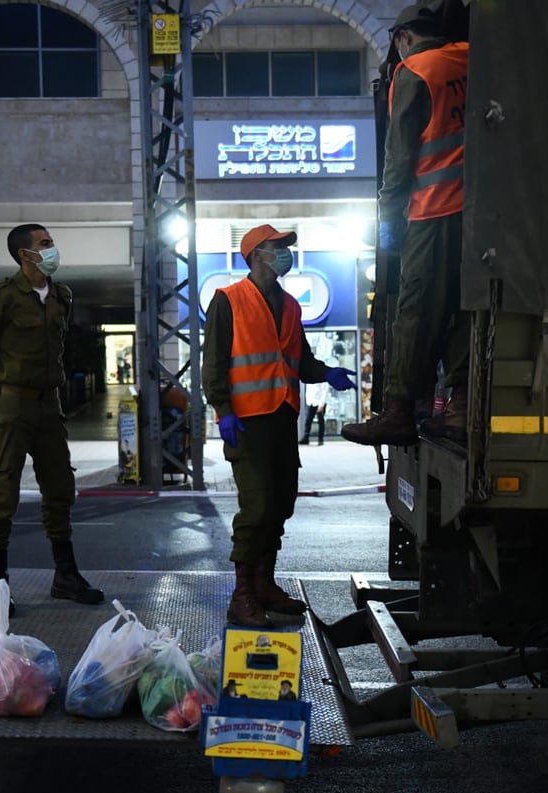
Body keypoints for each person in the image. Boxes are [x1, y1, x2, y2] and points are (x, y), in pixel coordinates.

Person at [202, 224, 357, 628]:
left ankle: (265, 583)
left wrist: (327, 373)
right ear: (255, 255)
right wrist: (223, 411)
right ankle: (242, 595)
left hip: (283, 419)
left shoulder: (290, 306)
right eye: (278, 247)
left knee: (281, 503)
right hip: (247, 422)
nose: (286, 253)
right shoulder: (228, 301)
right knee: (257, 507)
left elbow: (300, 363)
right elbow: (214, 364)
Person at [341, 2, 470, 447]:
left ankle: (397, 411)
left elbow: (398, 161)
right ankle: (460, 406)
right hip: (480, 216)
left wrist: (389, 222)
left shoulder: (415, 71)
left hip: (434, 212)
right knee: (463, 307)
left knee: (416, 309)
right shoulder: (473, 59)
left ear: (403, 38)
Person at [0, 223, 104, 614]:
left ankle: (65, 576)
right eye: (45, 244)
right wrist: (1, 397)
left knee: (60, 490)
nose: (52, 249)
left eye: (51, 242)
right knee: (3, 494)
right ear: (25, 254)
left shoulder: (62, 295)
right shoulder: (2, 298)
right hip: (13, 404)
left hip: (49, 405)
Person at [299, 380, 328, 445]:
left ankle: (321, 439)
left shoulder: (322, 377)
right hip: (311, 401)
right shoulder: (310, 378)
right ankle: (306, 438)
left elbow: (325, 391)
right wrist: (308, 400)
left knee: (320, 421)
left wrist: (322, 404)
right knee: (308, 420)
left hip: (320, 402)